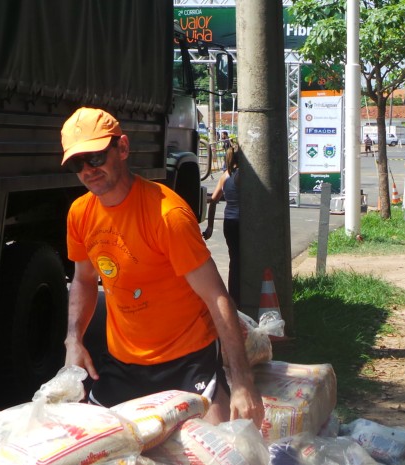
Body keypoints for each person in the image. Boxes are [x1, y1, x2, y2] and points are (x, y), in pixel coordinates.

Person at [59, 107, 263, 427]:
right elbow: (84, 280)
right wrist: (74, 341)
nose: (87, 169)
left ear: (122, 148)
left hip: (187, 362)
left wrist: (242, 383)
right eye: (76, 163)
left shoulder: (167, 214)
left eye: (95, 157)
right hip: (123, 366)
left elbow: (217, 298)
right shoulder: (80, 214)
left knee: (219, 458)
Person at [202, 144, 242, 307]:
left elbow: (213, 201)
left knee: (235, 261)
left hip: (229, 223)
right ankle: (242, 297)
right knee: (245, 261)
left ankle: (234, 297)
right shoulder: (243, 175)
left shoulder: (225, 175)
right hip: (242, 224)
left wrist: (210, 226)